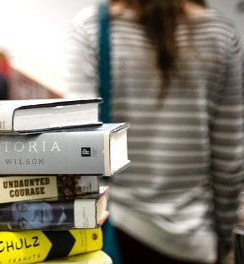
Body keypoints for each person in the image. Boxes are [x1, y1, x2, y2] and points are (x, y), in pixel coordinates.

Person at [66, 0, 244, 263]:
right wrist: (225, 238)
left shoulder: (92, 27)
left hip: (116, 234)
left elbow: (81, 147)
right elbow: (229, 158)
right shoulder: (220, 34)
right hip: (192, 241)